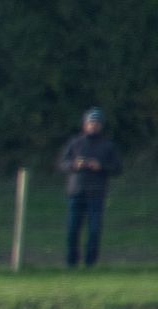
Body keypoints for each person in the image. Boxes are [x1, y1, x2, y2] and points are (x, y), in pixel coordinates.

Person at [57, 108, 121, 267]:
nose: (93, 126)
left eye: (96, 123)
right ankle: (71, 263)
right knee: (72, 230)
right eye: (91, 123)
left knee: (94, 230)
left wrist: (100, 166)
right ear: (85, 125)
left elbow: (117, 168)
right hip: (76, 191)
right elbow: (62, 164)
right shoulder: (75, 143)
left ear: (101, 126)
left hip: (96, 192)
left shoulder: (107, 145)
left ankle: (90, 263)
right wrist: (74, 165)